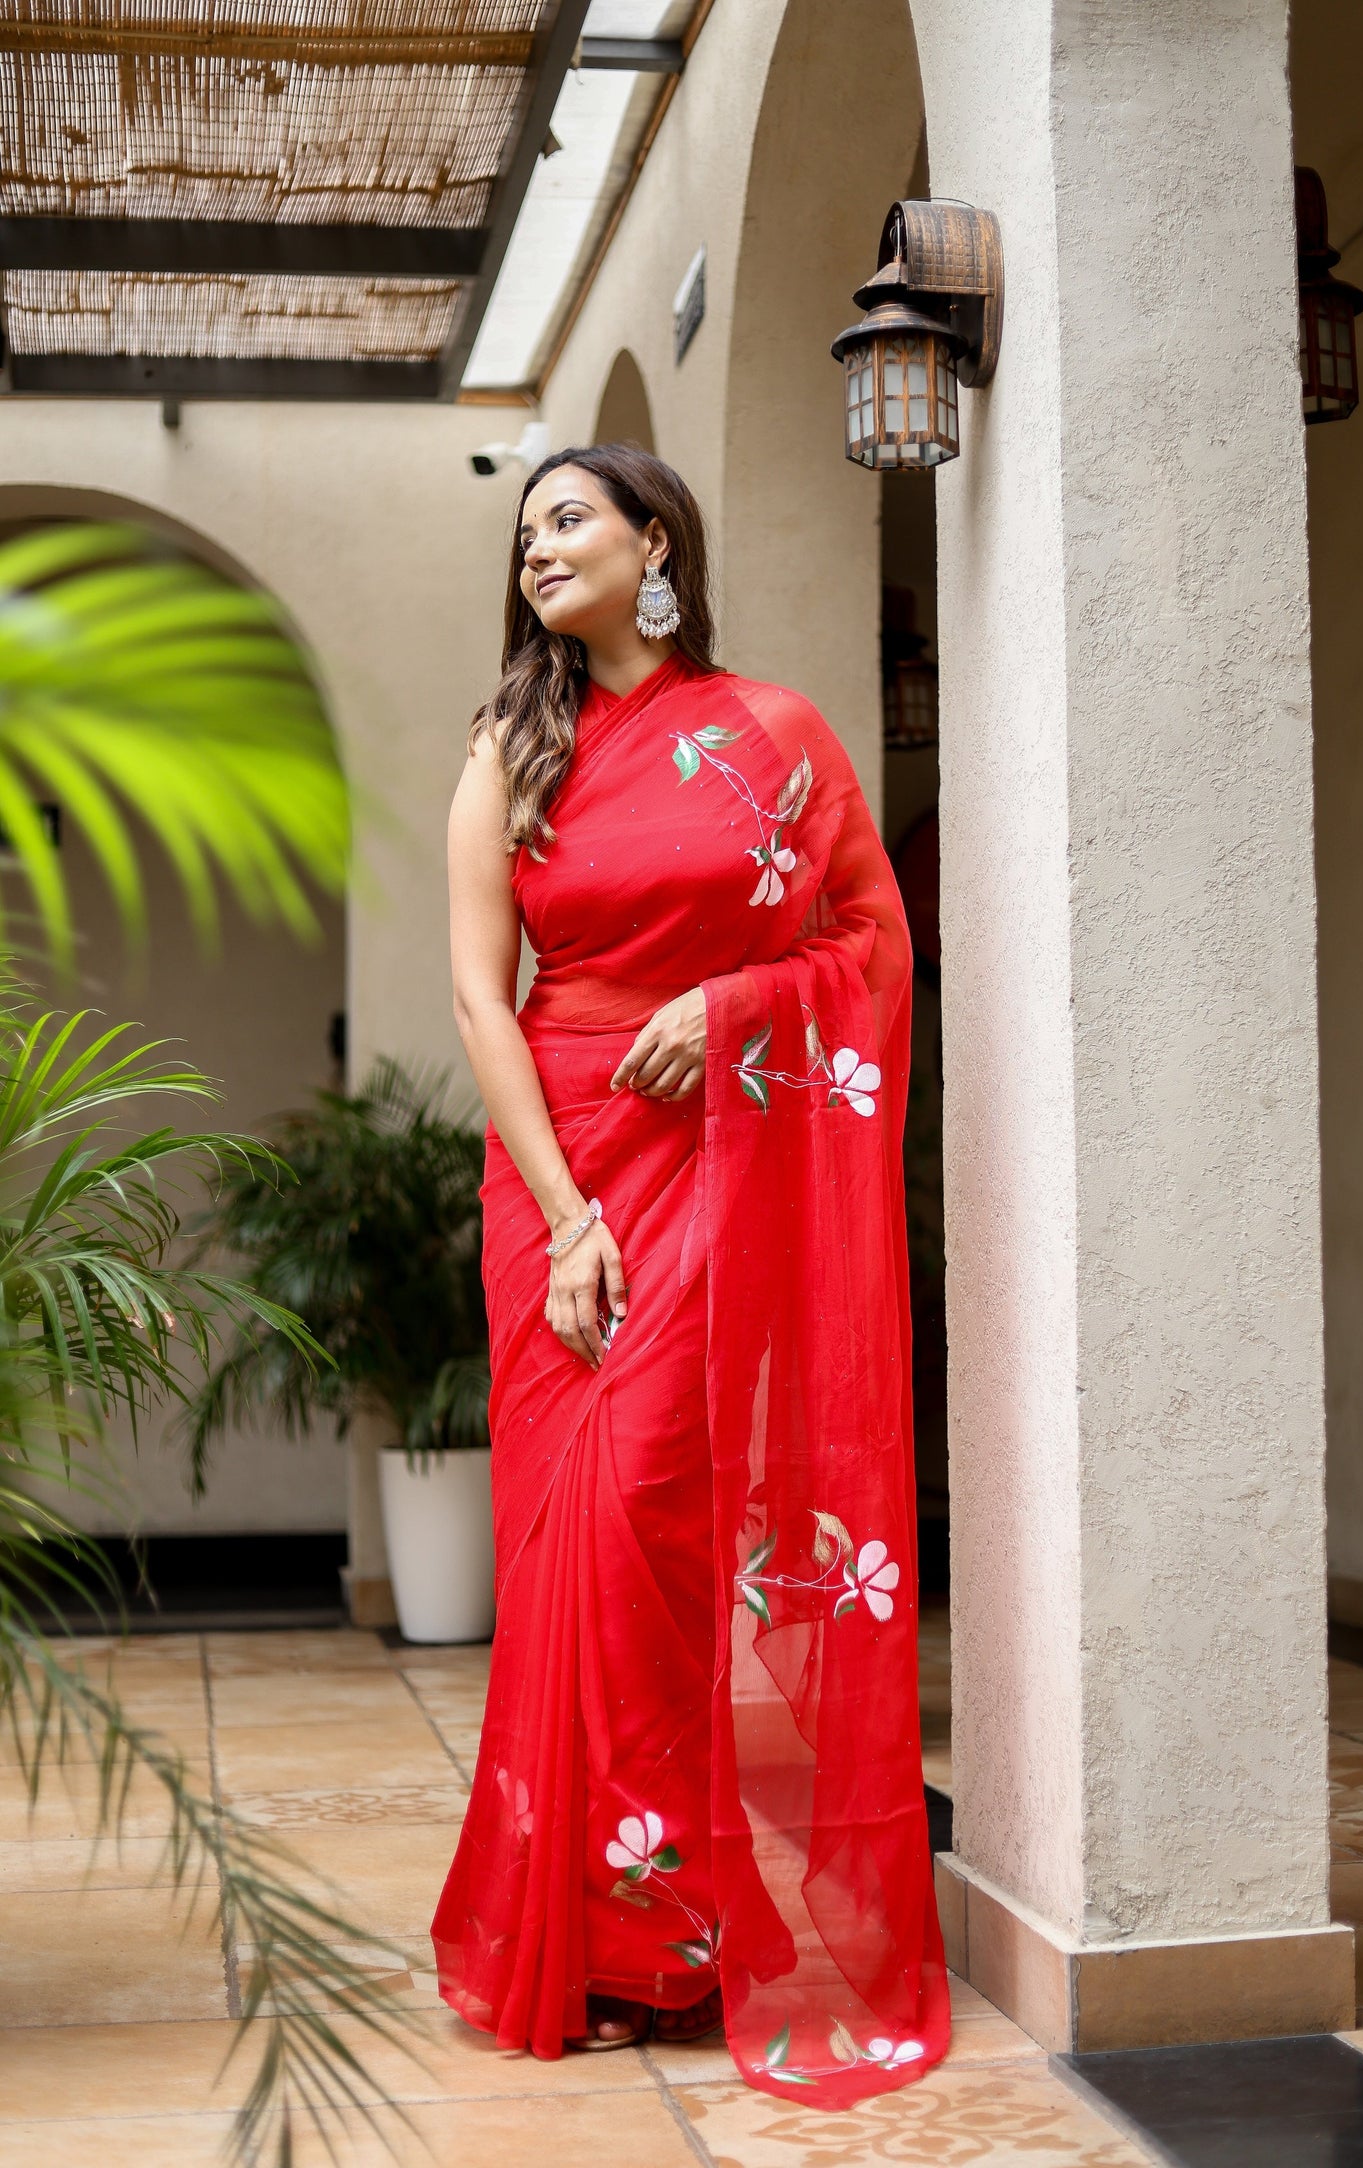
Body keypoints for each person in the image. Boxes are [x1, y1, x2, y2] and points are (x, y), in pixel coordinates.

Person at [433, 444, 948, 2104]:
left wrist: (726, 1015)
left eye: (569, 518)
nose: (539, 548)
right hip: (557, 1170)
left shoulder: (770, 738)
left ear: (655, 542)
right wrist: (568, 1212)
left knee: (655, 1514)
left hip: (709, 1156)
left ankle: (669, 1932)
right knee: (569, 1536)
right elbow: (474, 999)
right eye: (523, 531)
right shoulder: (510, 748)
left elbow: (863, 944)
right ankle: (582, 1934)